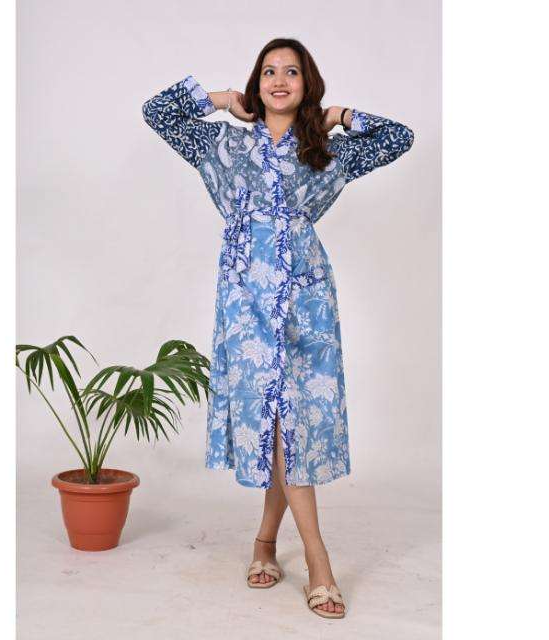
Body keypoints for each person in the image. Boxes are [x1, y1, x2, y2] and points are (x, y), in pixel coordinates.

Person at [142, 37, 414, 619]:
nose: (279, 80)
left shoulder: (325, 151)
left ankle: (272, 543)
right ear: (257, 83)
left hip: (306, 302)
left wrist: (338, 115)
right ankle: (315, 558)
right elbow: (157, 112)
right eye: (269, 71)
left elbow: (398, 138)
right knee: (274, 426)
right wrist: (223, 100)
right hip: (245, 304)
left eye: (292, 71)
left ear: (306, 83)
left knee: (291, 426)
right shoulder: (223, 144)